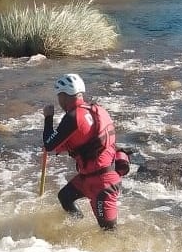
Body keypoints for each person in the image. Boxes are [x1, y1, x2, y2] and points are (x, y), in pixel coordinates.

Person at [42, 73, 127, 230]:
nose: (59, 100)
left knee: (110, 234)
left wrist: (48, 118)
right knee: (65, 197)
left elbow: (49, 144)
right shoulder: (96, 109)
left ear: (65, 96)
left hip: (103, 184)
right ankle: (77, 231)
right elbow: (85, 139)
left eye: (59, 96)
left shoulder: (73, 117)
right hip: (90, 177)